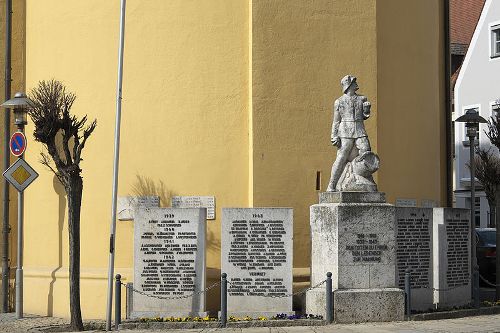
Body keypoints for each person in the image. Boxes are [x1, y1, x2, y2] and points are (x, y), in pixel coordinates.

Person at [327, 75, 373, 192]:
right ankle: (332, 184)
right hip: (345, 130)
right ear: (348, 85)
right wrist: (334, 135)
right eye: (353, 82)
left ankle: (363, 176)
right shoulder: (339, 102)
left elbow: (363, 116)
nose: (356, 83)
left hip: (359, 128)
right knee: (342, 156)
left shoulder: (362, 99)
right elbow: (336, 121)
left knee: (366, 151)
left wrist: (366, 110)